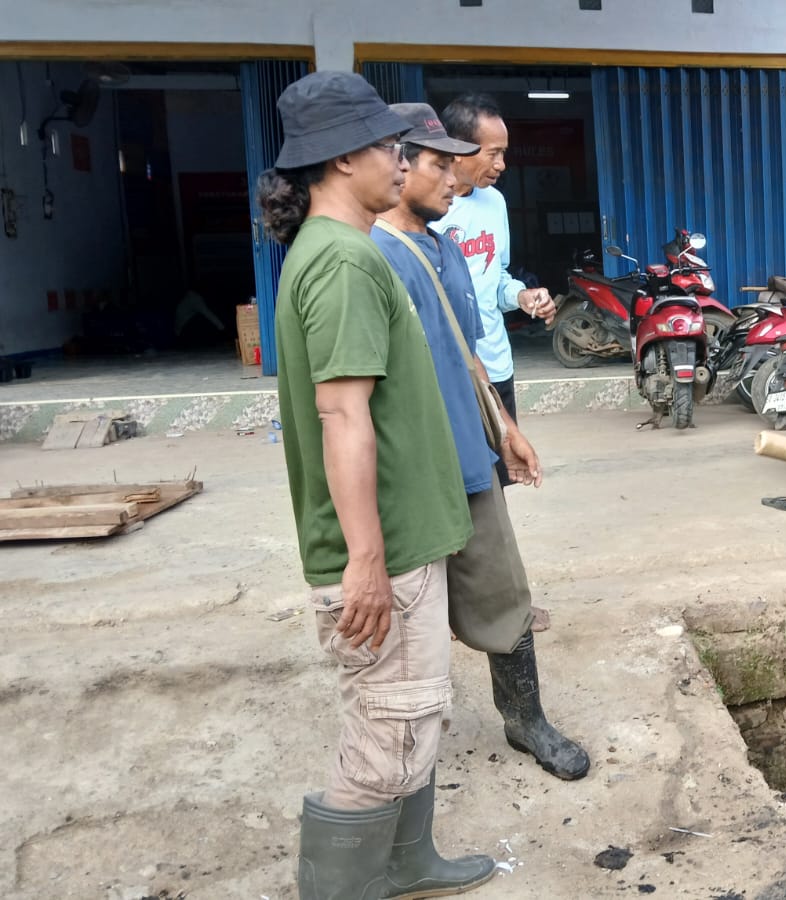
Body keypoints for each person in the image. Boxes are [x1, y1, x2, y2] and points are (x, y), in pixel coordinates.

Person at [256, 72, 494, 897]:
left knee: (412, 715)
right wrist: (365, 561)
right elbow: (342, 415)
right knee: (384, 737)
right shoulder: (343, 262)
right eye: (391, 147)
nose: (404, 160)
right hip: (384, 553)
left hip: (402, 542)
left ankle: (407, 861)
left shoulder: (345, 250)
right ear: (341, 157)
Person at [372, 102, 588, 782]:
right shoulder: (371, 256)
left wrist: (505, 428)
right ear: (396, 165)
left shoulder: (442, 248)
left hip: (469, 451)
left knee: (503, 589)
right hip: (408, 470)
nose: (454, 179)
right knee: (406, 617)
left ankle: (526, 720)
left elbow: (466, 352)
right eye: (439, 165)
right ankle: (401, 753)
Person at [435, 93, 554, 486]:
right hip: (451, 372)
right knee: (457, 486)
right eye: (493, 153)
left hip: (496, 366)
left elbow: (496, 276)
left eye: (504, 153)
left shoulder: (495, 203)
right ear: (456, 150)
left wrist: (522, 296)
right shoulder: (426, 211)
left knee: (498, 482)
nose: (502, 164)